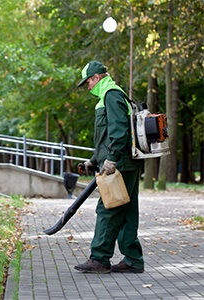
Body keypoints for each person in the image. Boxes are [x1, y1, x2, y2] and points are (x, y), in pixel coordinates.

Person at [75, 60, 144, 274]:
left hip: (120, 163)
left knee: (108, 209)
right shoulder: (109, 96)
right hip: (124, 162)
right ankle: (133, 259)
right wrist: (93, 161)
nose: (88, 87)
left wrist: (112, 159)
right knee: (127, 211)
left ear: (96, 78)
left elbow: (119, 129)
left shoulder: (111, 95)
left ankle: (100, 259)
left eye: (88, 82)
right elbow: (105, 138)